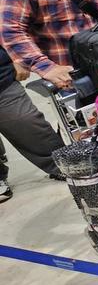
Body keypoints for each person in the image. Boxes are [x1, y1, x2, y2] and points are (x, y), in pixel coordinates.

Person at [0, 43, 68, 200]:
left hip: (2, 82)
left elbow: (7, 26)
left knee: (25, 121)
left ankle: (63, 165)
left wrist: (17, 58)